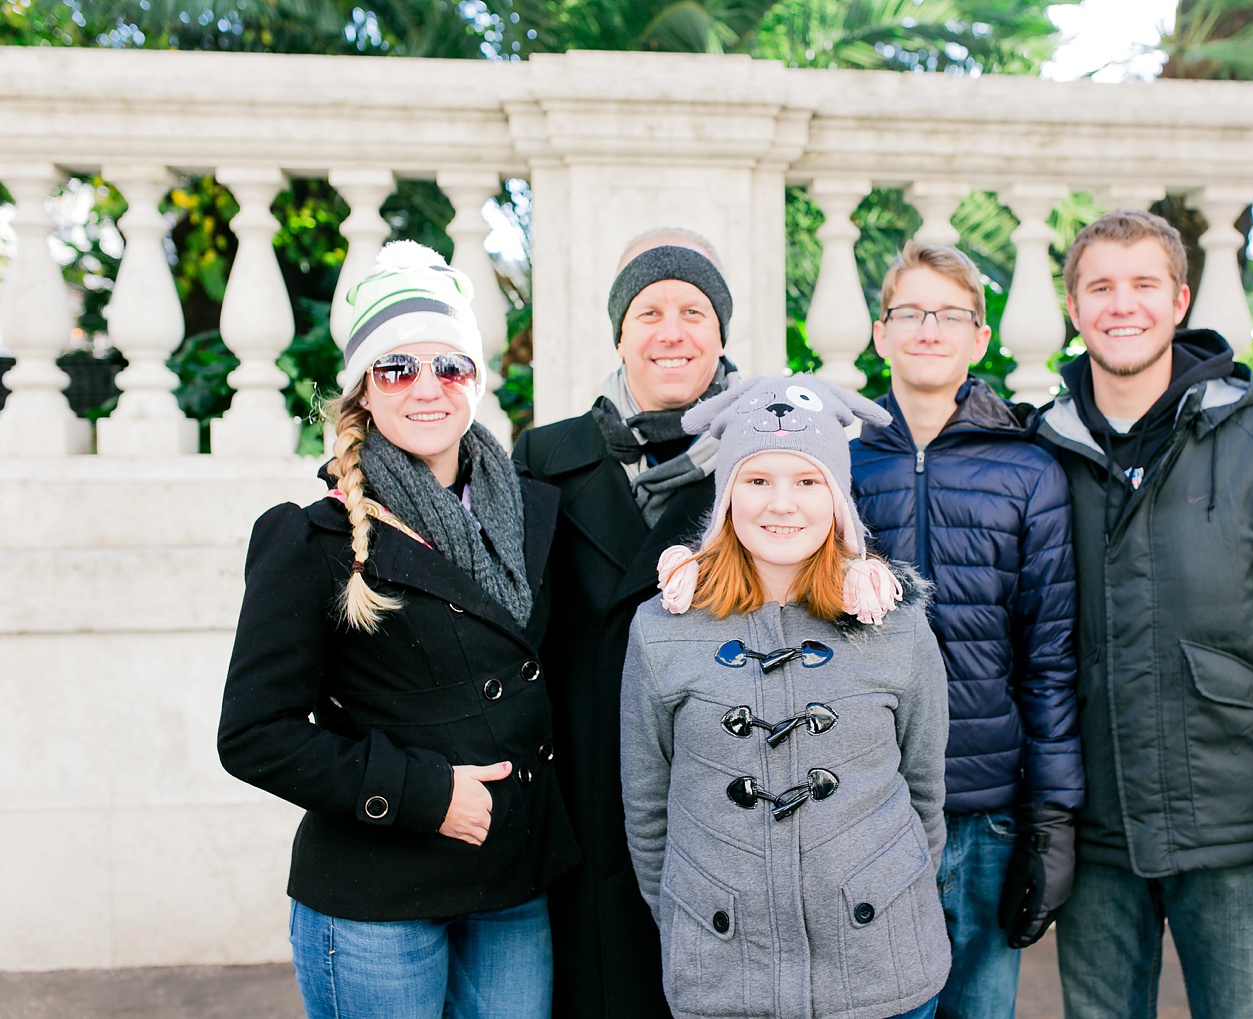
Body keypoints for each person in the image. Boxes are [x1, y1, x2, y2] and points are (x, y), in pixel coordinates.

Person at [218, 241, 577, 1019]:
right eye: (397, 367)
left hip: (512, 881)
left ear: (476, 379)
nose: (428, 388)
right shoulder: (311, 539)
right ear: (364, 388)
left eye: (450, 365)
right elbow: (254, 734)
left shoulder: (534, 511)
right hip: (376, 895)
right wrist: (422, 792)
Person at [1036, 210, 1253, 1019]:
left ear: (1179, 299)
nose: (1124, 305)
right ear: (1074, 308)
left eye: (1144, 284)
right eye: (1101, 287)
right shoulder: (1038, 449)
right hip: (1095, 831)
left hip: (1237, 827)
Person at [621, 374, 951, 1019]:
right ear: (726, 496)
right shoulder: (662, 630)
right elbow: (648, 807)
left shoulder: (897, 627)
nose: (782, 505)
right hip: (724, 977)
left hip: (880, 975)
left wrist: (882, 885)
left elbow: (925, 791)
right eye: (757, 480)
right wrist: (699, 916)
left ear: (837, 498)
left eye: (807, 481)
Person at [850, 240, 1082, 1019]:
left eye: (951, 314)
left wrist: (1050, 822)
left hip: (987, 815)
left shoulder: (1028, 471)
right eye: (909, 312)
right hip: (865, 810)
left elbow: (1049, 659)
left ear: (980, 338)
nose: (928, 329)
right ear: (880, 332)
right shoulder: (836, 467)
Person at [512, 230, 738, 1019]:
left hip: (721, 795)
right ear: (620, 332)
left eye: (693, 310)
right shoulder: (546, 456)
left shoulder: (764, 455)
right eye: (649, 311)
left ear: (720, 333)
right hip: (586, 791)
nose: (670, 330)